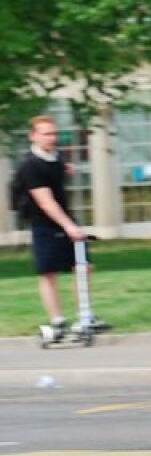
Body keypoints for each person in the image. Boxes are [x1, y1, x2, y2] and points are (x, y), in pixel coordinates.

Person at [15, 116, 100, 340]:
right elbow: (46, 202)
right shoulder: (30, 166)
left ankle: (86, 315)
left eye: (54, 133)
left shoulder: (56, 156)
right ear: (33, 135)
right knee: (49, 274)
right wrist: (69, 226)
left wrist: (66, 169)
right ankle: (58, 321)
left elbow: (58, 171)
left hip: (65, 219)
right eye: (46, 134)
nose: (52, 138)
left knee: (83, 266)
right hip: (44, 223)